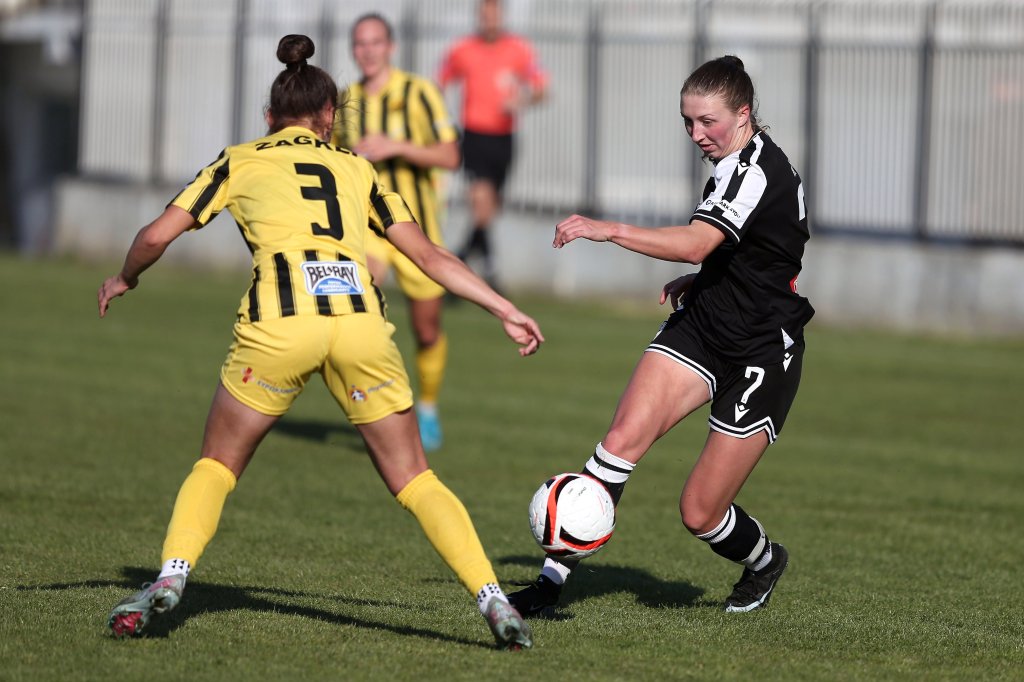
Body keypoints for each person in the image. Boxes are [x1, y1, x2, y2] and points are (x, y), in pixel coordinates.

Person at [99, 34, 542, 650]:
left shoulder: (239, 159)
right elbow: (428, 255)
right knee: (416, 479)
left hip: (280, 325)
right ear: (330, 116)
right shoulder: (358, 168)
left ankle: (172, 576)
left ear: (269, 116)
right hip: (360, 324)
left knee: (217, 465)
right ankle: (492, 597)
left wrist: (126, 276)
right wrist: (503, 308)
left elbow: (154, 236)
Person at [509, 56, 814, 617]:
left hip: (761, 352)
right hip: (701, 327)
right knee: (618, 445)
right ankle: (547, 589)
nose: (696, 135)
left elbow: (699, 242)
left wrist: (607, 229)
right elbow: (760, 250)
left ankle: (765, 560)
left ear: (743, 114)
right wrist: (707, 280)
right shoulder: (734, 161)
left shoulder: (755, 170)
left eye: (707, 121)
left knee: (700, 512)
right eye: (687, 122)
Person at [333, 13, 458, 452]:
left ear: (391, 46)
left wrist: (397, 146)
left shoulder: (419, 92)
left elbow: (451, 156)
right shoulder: (345, 102)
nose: (367, 51)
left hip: (417, 229)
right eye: (360, 43)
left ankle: (427, 408)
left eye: (375, 42)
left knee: (426, 331)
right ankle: (374, 402)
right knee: (360, 304)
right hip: (369, 229)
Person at [437, 0, 548, 290]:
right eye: (485, 16)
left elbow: (542, 88)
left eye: (494, 16)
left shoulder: (518, 49)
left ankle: (466, 259)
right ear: (479, 18)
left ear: (502, 17)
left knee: (489, 209)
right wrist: (439, 121)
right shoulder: (463, 49)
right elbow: (440, 82)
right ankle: (486, 269)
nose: (489, 22)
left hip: (504, 138)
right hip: (474, 136)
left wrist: (523, 99)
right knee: (481, 201)